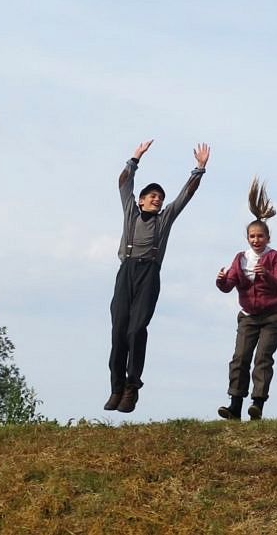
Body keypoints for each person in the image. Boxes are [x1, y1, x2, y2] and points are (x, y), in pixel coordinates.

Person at [105, 140, 210, 413]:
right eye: (151, 195)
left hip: (149, 275)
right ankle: (116, 388)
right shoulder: (130, 212)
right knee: (118, 332)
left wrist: (199, 169)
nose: (157, 198)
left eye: (160, 196)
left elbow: (186, 195)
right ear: (141, 200)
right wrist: (135, 158)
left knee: (136, 330)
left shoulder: (165, 219)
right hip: (126, 271)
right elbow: (123, 183)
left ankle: (131, 388)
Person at [215, 178, 277, 421]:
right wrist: (221, 280)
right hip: (248, 315)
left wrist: (265, 275)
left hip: (273, 316)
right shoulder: (241, 258)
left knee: (262, 358)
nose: (256, 240)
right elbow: (229, 286)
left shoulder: (275, 258)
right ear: (247, 238)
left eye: (260, 236)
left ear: (268, 237)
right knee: (240, 358)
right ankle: (235, 405)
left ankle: (257, 403)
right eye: (252, 236)